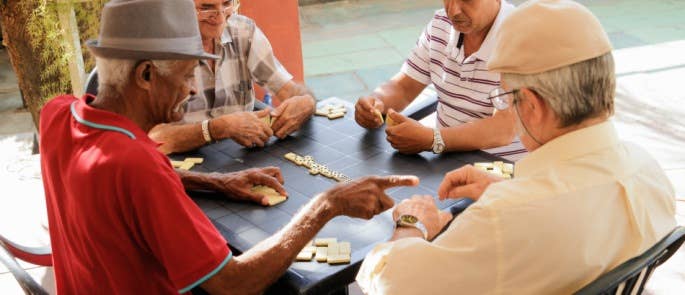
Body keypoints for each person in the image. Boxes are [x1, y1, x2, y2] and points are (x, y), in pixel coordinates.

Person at [39, 1, 416, 293]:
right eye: (186, 76)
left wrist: (217, 182)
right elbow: (234, 285)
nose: (189, 89)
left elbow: (122, 188)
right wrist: (326, 204)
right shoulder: (136, 166)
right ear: (146, 75)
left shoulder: (56, 115)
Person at [356, 0, 677, 293]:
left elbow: (393, 285)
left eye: (506, 97)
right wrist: (512, 189)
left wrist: (412, 224)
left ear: (533, 107)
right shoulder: (649, 172)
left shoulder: (503, 220)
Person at [354, 0, 528, 161]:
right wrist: (376, 103)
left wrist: (433, 139)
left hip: (502, 170)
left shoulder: (522, 37)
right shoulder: (441, 24)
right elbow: (404, 87)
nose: (453, 10)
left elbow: (504, 128)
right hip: (446, 160)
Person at [149, 0, 316, 154]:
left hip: (238, 156)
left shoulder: (242, 31)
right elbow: (153, 138)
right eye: (206, 8)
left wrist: (306, 101)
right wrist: (217, 129)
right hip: (181, 165)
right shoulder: (159, 48)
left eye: (227, 3)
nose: (221, 18)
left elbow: (290, 90)